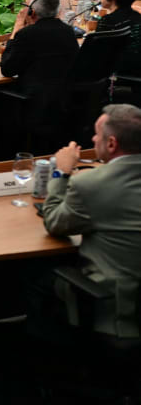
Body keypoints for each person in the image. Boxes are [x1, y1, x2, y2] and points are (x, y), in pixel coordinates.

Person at [37, 105, 141, 338]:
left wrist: (61, 173)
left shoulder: (90, 185)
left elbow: (54, 222)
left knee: (33, 273)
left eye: (97, 134)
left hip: (117, 308)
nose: (93, 139)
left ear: (112, 143)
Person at [0, 0, 79, 144]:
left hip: (36, 105)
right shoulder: (68, 31)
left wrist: (17, 26)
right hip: (65, 104)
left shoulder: (27, 34)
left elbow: (7, 69)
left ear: (32, 12)